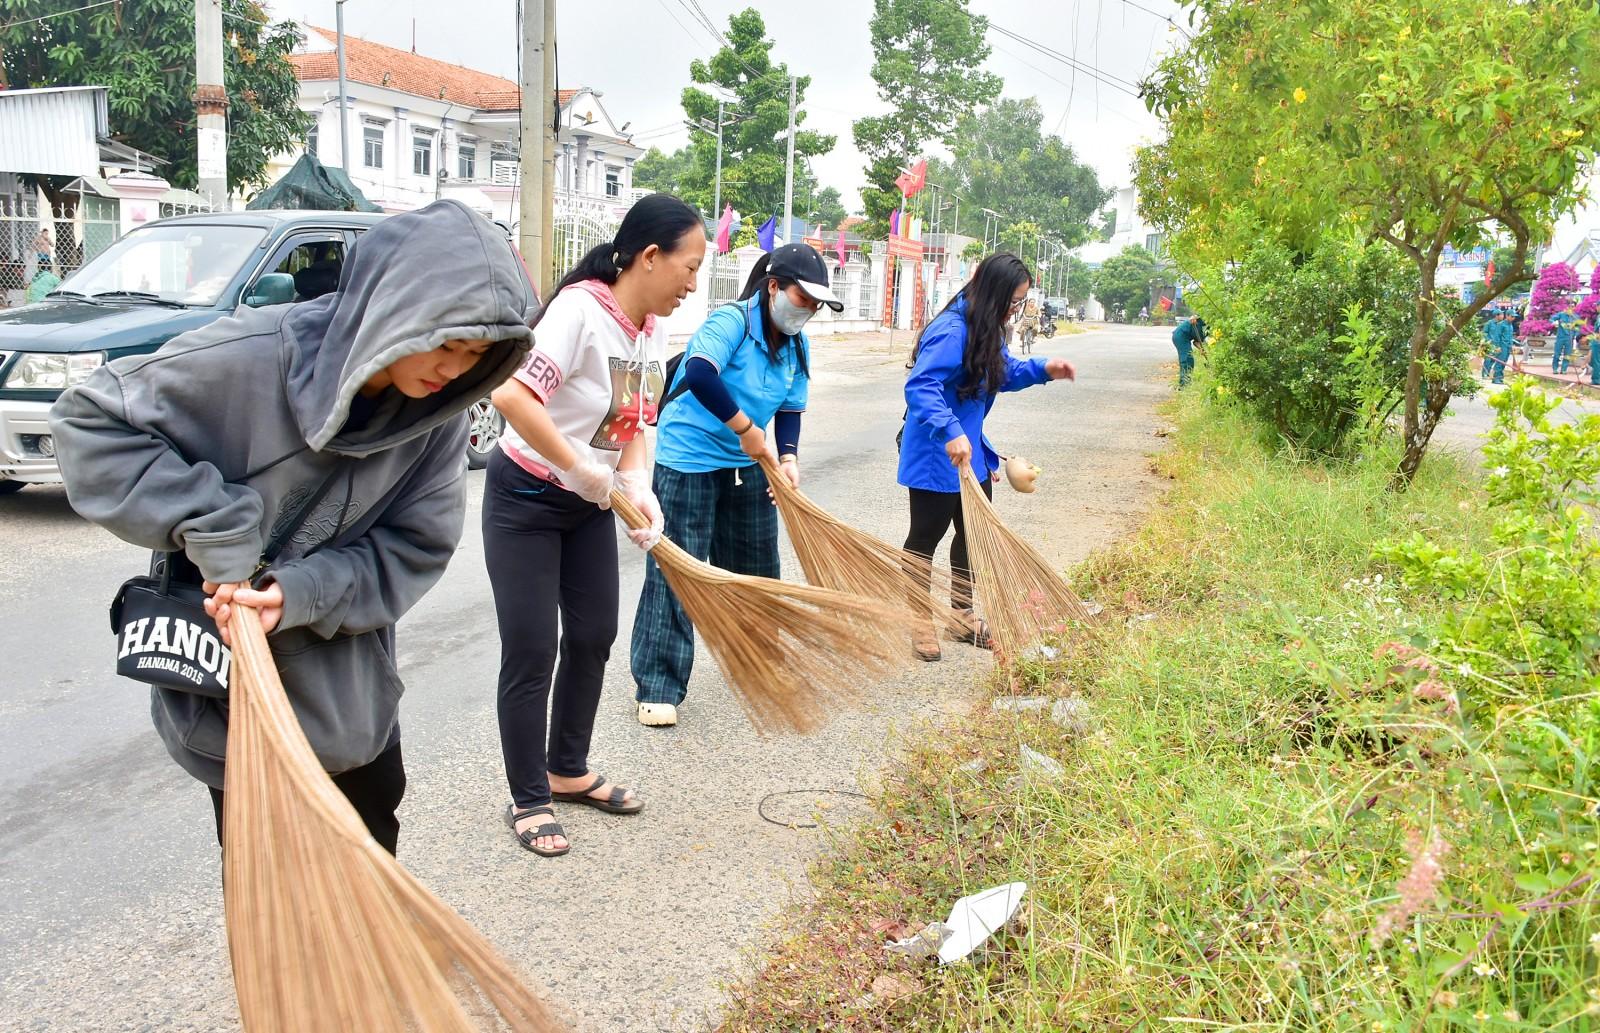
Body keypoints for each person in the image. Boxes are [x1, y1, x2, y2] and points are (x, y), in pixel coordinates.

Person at [47, 199, 536, 856]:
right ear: (390, 307)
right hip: (236, 704)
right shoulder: (242, 358)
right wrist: (219, 530)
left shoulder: (438, 421)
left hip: (349, 709)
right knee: (269, 916)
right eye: (446, 342)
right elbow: (88, 421)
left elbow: (415, 547)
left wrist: (300, 592)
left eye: (476, 353)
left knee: (367, 900)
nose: (453, 369)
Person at [485, 193, 705, 857]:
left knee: (593, 635)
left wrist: (637, 483)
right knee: (532, 647)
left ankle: (566, 767)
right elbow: (511, 395)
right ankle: (529, 797)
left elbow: (635, 425)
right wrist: (579, 465)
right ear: (648, 257)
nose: (693, 284)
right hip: (525, 496)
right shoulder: (580, 311)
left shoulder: (652, 331)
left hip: (589, 501)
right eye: (689, 268)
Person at [630, 242, 843, 728]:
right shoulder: (732, 322)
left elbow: (790, 407)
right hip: (690, 459)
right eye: (802, 298)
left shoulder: (796, 344)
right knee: (678, 571)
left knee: (757, 568)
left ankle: (759, 663)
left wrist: (787, 457)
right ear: (773, 287)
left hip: (748, 464)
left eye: (815, 304)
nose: (806, 311)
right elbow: (701, 373)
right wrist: (748, 430)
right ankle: (658, 684)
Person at [897, 253, 1075, 662]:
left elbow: (1004, 372)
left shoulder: (989, 329)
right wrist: (951, 430)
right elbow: (921, 386)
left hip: (970, 454)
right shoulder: (950, 330)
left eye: (1021, 303)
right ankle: (919, 619)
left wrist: (1046, 368)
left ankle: (960, 614)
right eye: (1013, 301)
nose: (1016, 310)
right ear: (992, 292)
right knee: (924, 538)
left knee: (973, 535)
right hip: (936, 453)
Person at [1171, 314, 1206, 387]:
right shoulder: (1199, 322)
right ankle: (1184, 384)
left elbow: (1196, 341)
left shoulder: (1201, 325)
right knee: (1187, 359)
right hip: (1181, 336)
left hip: (1181, 337)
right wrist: (1202, 349)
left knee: (1187, 359)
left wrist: (1201, 350)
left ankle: (1183, 382)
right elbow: (1197, 340)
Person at [1553, 304, 1577, 375]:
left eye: (1572, 306)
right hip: (1560, 336)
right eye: (1569, 306)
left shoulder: (1575, 317)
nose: (1571, 308)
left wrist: (1574, 335)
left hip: (1569, 338)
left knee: (1567, 354)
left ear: (1574, 307)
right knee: (1557, 353)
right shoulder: (1561, 314)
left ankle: (1564, 369)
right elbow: (1552, 318)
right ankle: (1555, 368)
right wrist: (1555, 322)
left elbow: (1578, 327)